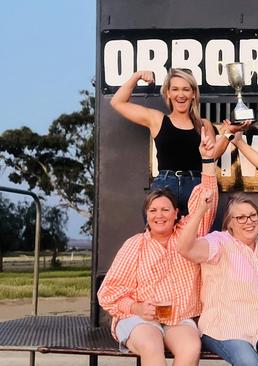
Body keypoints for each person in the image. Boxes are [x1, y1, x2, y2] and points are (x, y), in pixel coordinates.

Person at [97, 128, 218, 366]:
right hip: (139, 318)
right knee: (152, 347)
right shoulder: (135, 245)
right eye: (153, 210)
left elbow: (207, 199)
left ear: (176, 214)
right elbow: (108, 293)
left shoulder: (187, 234)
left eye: (165, 210)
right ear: (146, 215)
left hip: (179, 317)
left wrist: (207, 161)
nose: (159, 215)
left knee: (191, 348)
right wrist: (136, 306)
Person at [177, 193, 258, 366]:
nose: (249, 221)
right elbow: (184, 248)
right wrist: (200, 211)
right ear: (230, 224)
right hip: (223, 328)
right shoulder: (219, 242)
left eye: (252, 215)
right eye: (240, 218)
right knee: (249, 363)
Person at [110, 69, 248, 216]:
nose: (180, 95)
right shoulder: (157, 119)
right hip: (165, 187)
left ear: (193, 94)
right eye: (175, 89)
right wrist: (137, 76)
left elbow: (212, 156)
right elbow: (117, 102)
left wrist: (228, 133)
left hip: (197, 186)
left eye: (186, 89)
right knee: (162, 236)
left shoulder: (204, 125)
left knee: (200, 236)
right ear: (168, 93)